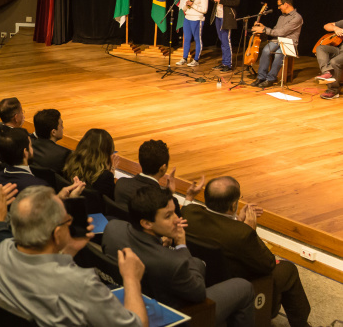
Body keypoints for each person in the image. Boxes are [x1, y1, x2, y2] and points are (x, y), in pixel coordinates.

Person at [0, 186, 149, 327]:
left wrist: (69, 249)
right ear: (57, 235)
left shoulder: (2, 250)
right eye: (67, 220)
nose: (71, 221)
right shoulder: (82, 284)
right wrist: (131, 279)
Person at [103, 186, 255, 326]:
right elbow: (199, 293)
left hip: (131, 296)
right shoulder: (172, 261)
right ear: (146, 223)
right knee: (244, 287)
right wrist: (181, 244)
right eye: (168, 216)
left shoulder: (112, 228)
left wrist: (160, 242)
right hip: (175, 314)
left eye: (175, 211)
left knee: (197, 263)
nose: (177, 219)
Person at [183, 177, 311, 327]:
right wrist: (251, 231)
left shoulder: (188, 212)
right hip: (238, 285)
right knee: (287, 269)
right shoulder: (242, 234)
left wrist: (236, 220)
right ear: (233, 204)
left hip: (201, 277)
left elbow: (218, 227)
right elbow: (267, 264)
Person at [114, 139, 200, 214]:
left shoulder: (121, 183)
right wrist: (188, 197)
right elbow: (181, 225)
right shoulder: (165, 200)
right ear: (163, 168)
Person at [251, 0, 303, 88]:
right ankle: (261, 77)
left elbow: (282, 32)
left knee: (279, 53)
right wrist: (264, 27)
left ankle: (270, 79)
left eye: (280, 5)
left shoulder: (297, 18)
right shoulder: (281, 17)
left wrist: (264, 30)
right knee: (266, 50)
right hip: (277, 40)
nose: (279, 8)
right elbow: (276, 31)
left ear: (286, 4)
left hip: (288, 43)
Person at [63, 128, 118, 201]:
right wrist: (112, 175)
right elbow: (111, 202)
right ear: (106, 153)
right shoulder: (105, 177)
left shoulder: (70, 162)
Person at [209, 0, 243, 72]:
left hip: (226, 17)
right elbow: (218, 1)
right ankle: (224, 62)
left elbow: (235, 2)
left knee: (226, 40)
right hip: (218, 16)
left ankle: (228, 64)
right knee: (222, 40)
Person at [176, 0, 209, 67]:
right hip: (187, 18)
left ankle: (196, 60)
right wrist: (187, 5)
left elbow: (204, 10)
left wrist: (193, 5)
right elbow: (183, 7)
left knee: (197, 39)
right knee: (186, 39)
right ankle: (184, 58)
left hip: (197, 19)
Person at [29, 108, 71, 174]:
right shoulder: (64, 154)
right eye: (61, 125)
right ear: (53, 132)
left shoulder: (28, 145)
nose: (63, 128)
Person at [315, 18, 343, 99]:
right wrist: (336, 28)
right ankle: (326, 72)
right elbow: (326, 26)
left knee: (335, 61)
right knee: (320, 48)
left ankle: (333, 90)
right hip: (340, 50)